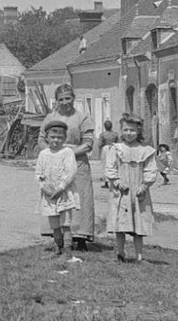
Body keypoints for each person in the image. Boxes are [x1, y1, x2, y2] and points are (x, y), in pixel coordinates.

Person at [42, 85, 98, 249]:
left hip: (78, 163)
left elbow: (88, 144)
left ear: (73, 98)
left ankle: (80, 238)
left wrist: (68, 153)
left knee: (79, 200)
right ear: (56, 100)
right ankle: (58, 239)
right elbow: (40, 141)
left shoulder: (82, 117)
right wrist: (52, 154)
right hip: (54, 165)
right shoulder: (49, 118)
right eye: (61, 99)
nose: (65, 102)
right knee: (56, 199)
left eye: (68, 98)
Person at [104, 113, 158, 263]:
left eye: (132, 130)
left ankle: (139, 255)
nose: (129, 133)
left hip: (138, 191)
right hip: (122, 191)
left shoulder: (146, 150)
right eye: (126, 130)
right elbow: (110, 167)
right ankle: (120, 253)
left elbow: (150, 170)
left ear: (139, 131)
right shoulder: (116, 149)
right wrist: (116, 181)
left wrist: (145, 185)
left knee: (138, 223)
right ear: (121, 130)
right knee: (120, 222)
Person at [35, 117, 79, 256]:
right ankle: (57, 247)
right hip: (49, 195)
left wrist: (61, 188)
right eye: (52, 137)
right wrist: (44, 187)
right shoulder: (43, 154)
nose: (56, 140)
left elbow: (71, 172)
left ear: (65, 138)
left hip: (63, 193)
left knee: (65, 222)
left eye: (60, 137)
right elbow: (39, 173)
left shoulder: (67, 153)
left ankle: (67, 250)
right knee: (54, 223)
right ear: (47, 137)